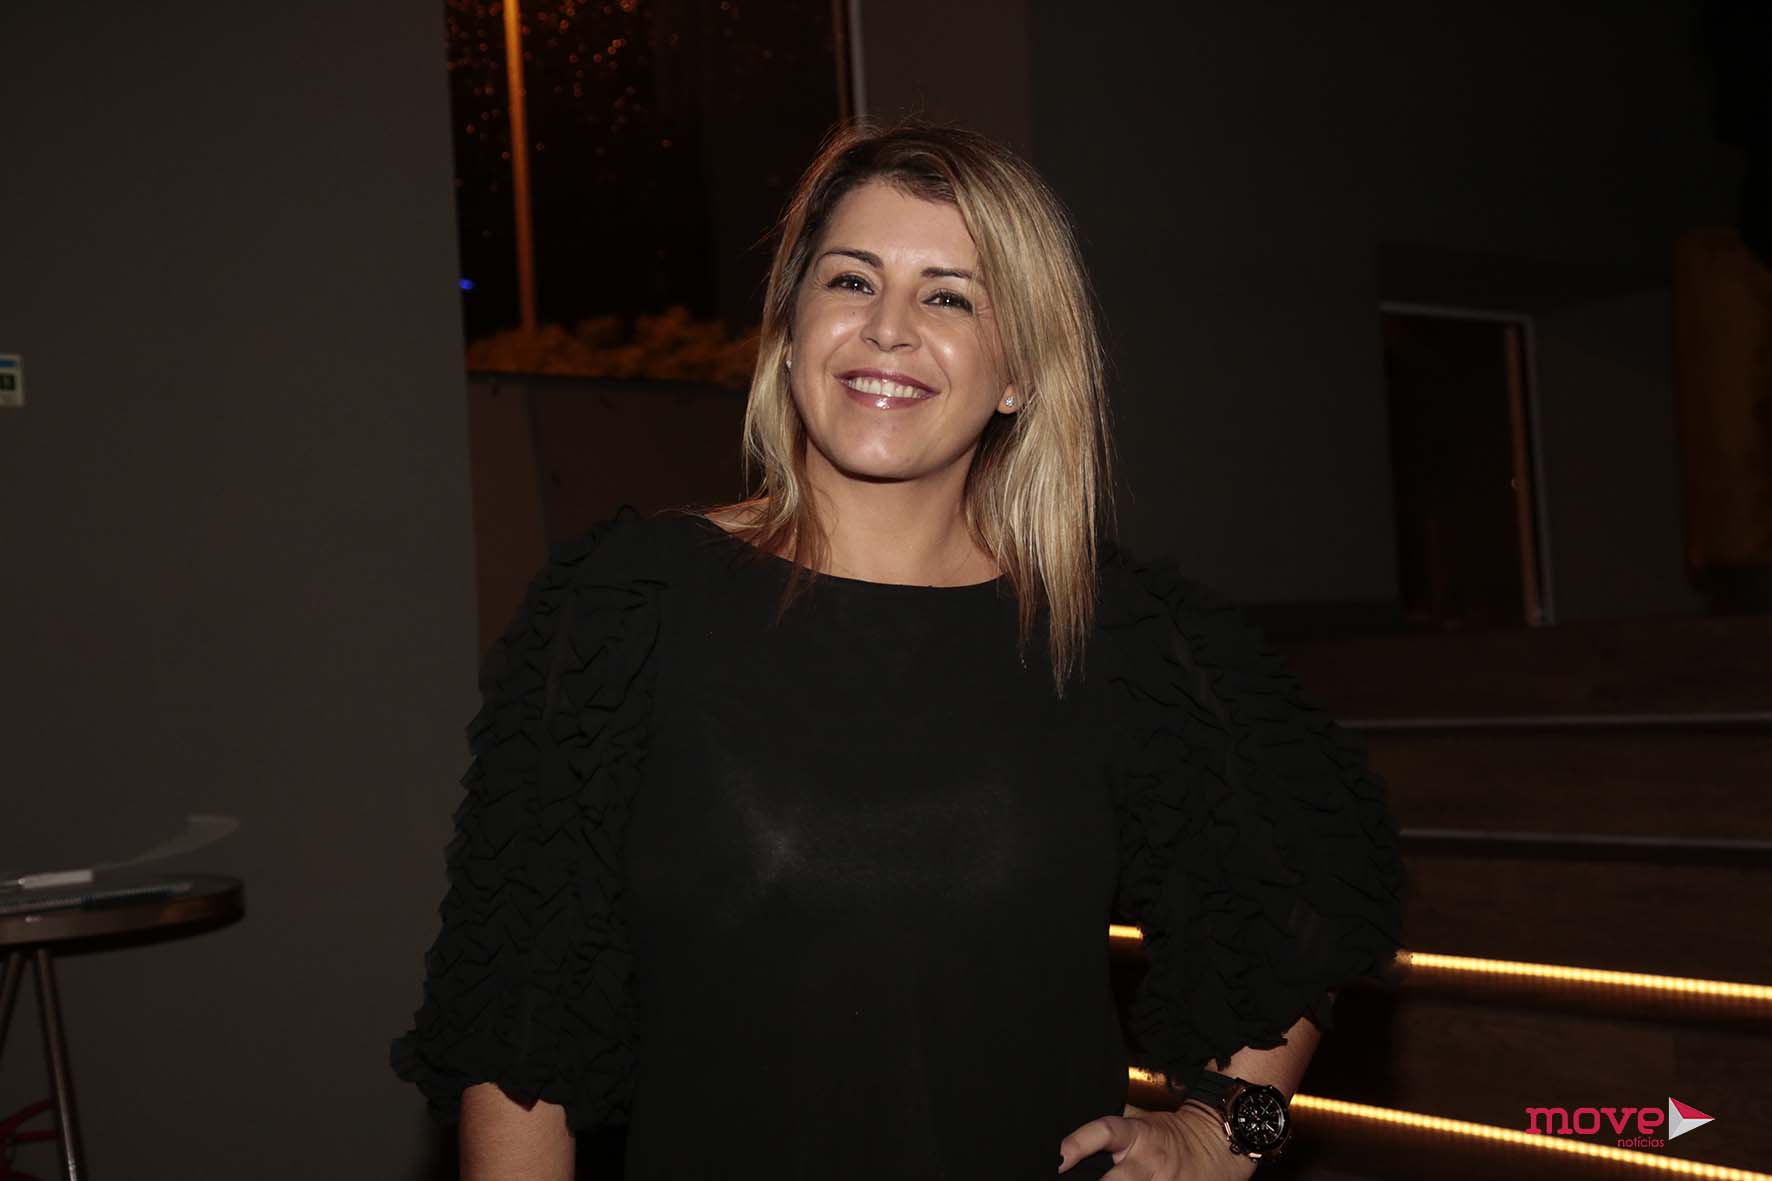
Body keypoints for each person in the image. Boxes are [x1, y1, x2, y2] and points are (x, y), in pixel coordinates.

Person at [391, 119, 1406, 1180]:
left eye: (949, 297)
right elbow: (518, 1021)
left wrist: (1224, 1131)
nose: (888, 328)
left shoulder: (1113, 633)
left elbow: (1314, 880)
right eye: (851, 280)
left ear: (1018, 374)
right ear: (790, 333)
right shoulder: (629, 607)